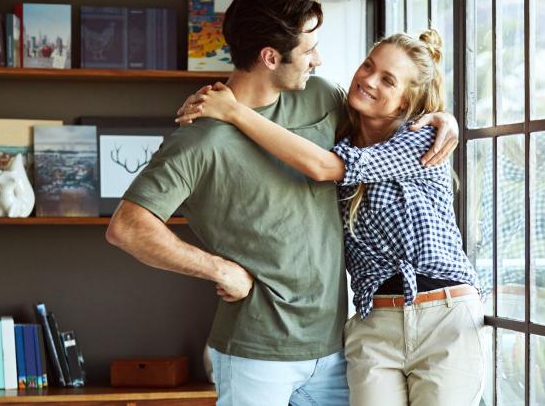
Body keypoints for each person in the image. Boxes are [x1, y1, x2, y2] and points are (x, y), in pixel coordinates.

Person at [106, 0, 460, 406]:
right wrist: (219, 270)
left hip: (336, 349)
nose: (319, 58)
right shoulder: (199, 141)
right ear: (270, 57)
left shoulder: (323, 97)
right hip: (256, 353)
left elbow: (385, 113)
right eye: (309, 48)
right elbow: (127, 227)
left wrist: (440, 117)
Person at [177, 29, 485, 406]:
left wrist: (233, 111)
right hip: (374, 325)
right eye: (368, 66)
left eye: (387, 80)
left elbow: (323, 168)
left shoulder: (419, 139)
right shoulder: (336, 136)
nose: (368, 79)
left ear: (408, 100)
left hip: (444, 316)